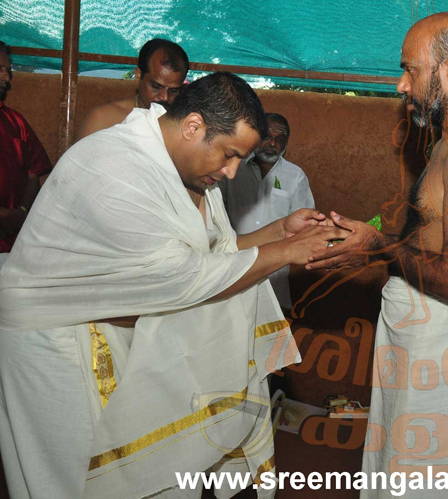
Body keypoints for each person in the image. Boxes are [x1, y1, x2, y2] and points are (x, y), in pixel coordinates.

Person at [0, 72, 349, 498]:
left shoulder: (189, 171)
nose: (232, 171)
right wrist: (286, 252)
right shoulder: (113, 164)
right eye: (229, 155)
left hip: (111, 333)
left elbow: (216, 253)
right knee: (71, 480)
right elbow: (181, 276)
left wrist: (280, 232)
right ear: (193, 126)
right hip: (53, 342)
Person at [307, 12, 448, 498]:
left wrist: (377, 246)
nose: (401, 85)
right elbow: (434, 240)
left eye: (410, 69)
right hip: (432, 342)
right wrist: (372, 244)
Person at [220, 112, 315, 309]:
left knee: (270, 325)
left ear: (286, 144)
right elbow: (216, 212)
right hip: (232, 264)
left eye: (280, 139)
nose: (273, 143)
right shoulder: (233, 169)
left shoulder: (295, 176)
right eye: (267, 136)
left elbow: (306, 227)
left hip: (274, 272)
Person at [77, 38, 189, 139]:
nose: (164, 97)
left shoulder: (184, 127)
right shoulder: (104, 119)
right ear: (138, 76)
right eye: (156, 87)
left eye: (174, 90)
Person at [0, 41, 52, 254]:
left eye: (8, 70)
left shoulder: (16, 122)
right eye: (0, 69)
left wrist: (20, 212)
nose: (6, 77)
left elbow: (33, 175)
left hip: (13, 242)